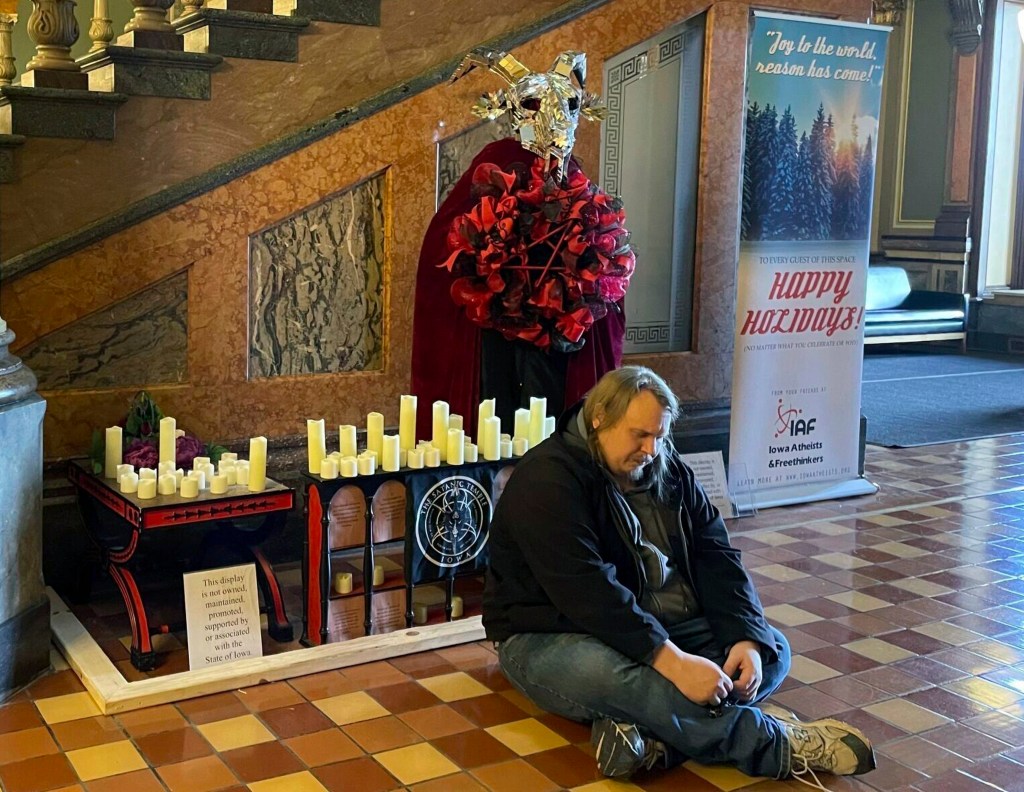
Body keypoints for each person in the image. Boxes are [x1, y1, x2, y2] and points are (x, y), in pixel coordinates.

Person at [483, 365, 875, 788]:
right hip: (548, 636)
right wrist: (672, 662)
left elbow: (716, 554)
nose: (652, 449)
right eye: (639, 435)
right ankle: (776, 745)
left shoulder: (668, 470)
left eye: (660, 436)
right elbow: (588, 593)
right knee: (629, 679)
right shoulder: (547, 481)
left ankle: (652, 742)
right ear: (599, 419)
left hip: (651, 626)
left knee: (770, 649)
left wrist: (744, 636)